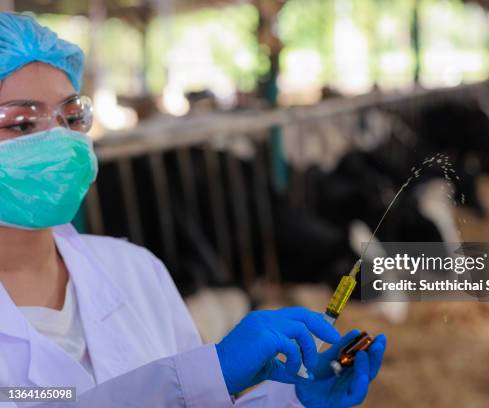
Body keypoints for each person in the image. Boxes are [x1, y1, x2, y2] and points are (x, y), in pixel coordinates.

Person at [0, 12, 386, 407]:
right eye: (22, 124)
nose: (60, 140)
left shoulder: (134, 271)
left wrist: (292, 401)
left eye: (71, 116)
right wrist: (203, 374)